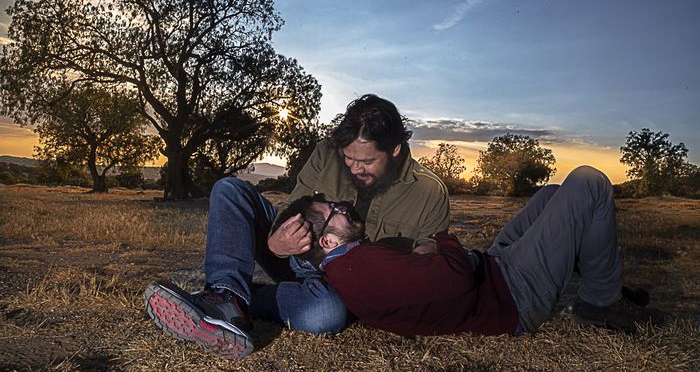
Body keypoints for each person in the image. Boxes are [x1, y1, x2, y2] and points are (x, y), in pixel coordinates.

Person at [144, 94, 450, 358]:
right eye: (348, 158)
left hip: (345, 286)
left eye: (367, 161)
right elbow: (293, 207)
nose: (355, 168)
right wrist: (276, 243)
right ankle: (225, 295)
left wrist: (420, 260)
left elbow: (433, 256)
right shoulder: (326, 152)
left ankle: (235, 299)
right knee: (229, 189)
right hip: (299, 256)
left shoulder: (429, 192)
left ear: (395, 149)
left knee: (325, 315)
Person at [280, 166, 664, 337]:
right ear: (328, 242)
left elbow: (430, 278)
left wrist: (429, 254)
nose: (343, 207)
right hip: (515, 295)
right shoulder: (361, 266)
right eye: (334, 212)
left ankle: (595, 272)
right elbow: (456, 274)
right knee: (589, 181)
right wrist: (442, 237)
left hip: (495, 270)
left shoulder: (351, 265)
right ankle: (599, 300)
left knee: (552, 193)